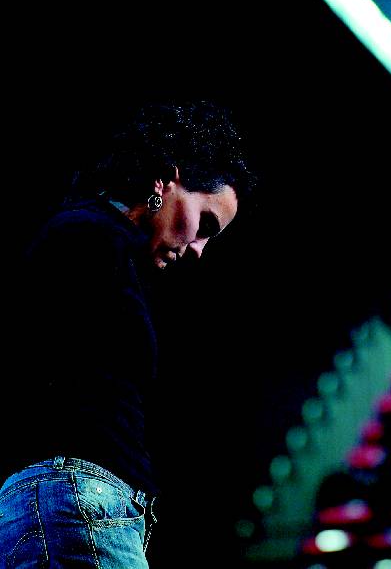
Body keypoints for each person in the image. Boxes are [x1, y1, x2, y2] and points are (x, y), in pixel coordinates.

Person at [0, 100, 255, 568]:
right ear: (166, 182)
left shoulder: (104, 245)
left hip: (71, 504)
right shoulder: (88, 235)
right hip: (80, 502)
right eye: (204, 224)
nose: (199, 250)